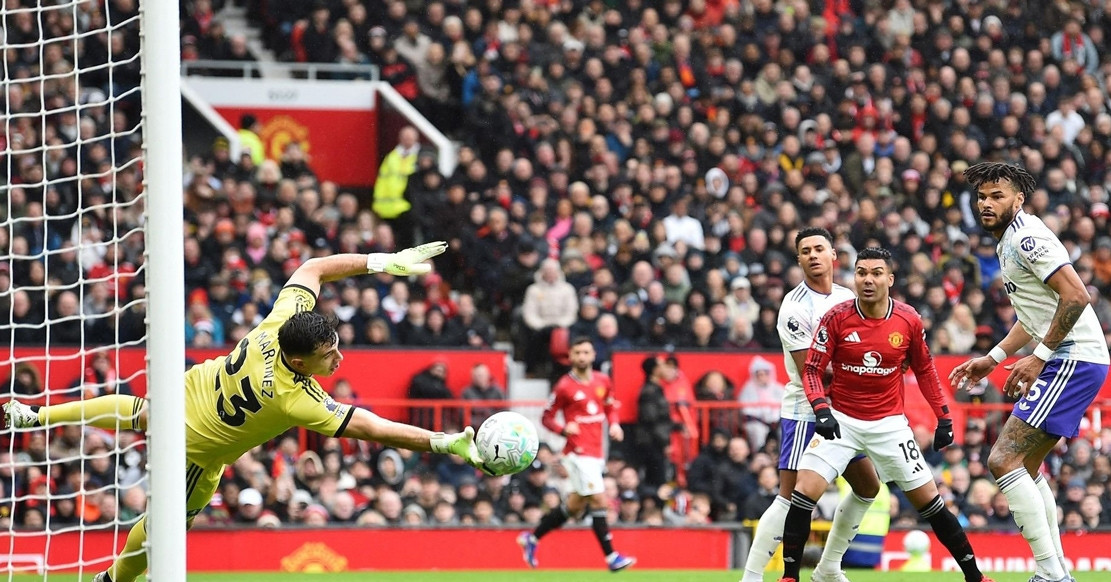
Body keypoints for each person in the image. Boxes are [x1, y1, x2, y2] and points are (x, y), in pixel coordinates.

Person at [3, 242, 486, 582]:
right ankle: (112, 581)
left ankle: (36, 416)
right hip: (199, 451)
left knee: (142, 411)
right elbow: (370, 426)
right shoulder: (296, 397)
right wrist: (441, 441)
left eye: (336, 347)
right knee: (160, 534)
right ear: (300, 362)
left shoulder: (280, 322)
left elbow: (314, 267)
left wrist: (382, 262)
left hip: (185, 393)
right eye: (328, 356)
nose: (338, 360)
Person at [777, 247, 994, 582]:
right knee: (804, 490)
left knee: (930, 502)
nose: (868, 279)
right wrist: (821, 409)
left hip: (889, 426)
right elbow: (811, 370)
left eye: (876, 273)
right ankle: (791, 577)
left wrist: (945, 417)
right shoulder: (836, 317)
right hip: (841, 421)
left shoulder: (908, 320)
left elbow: (926, 372)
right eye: (862, 272)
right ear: (854, 277)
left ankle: (975, 576)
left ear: (889, 279)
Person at [951, 162, 1109, 582]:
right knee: (1025, 465)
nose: (986, 203)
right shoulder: (1008, 241)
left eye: (996, 196)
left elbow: (1077, 296)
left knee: (1002, 460)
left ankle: (1049, 574)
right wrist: (995, 356)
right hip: (1073, 357)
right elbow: (1033, 314)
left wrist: (1040, 356)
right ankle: (1056, 572)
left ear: (1018, 199)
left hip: (1072, 357)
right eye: (982, 197)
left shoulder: (1027, 237)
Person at [742, 228, 883, 582]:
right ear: (799, 260)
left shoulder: (846, 297)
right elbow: (815, 370)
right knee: (789, 497)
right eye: (806, 251)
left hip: (845, 410)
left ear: (834, 255)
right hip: (808, 408)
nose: (813, 255)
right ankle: (751, 576)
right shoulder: (794, 307)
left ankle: (829, 566)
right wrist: (872, 368)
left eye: (819, 248)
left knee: (868, 487)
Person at [517, 336, 635, 572]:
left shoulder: (603, 380)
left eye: (586, 352)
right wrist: (563, 429)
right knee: (599, 499)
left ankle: (533, 537)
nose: (582, 357)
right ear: (570, 356)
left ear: (593, 355)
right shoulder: (564, 386)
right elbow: (546, 417)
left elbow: (611, 406)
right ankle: (611, 557)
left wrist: (614, 425)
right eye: (577, 353)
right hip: (577, 452)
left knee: (575, 505)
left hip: (596, 450)